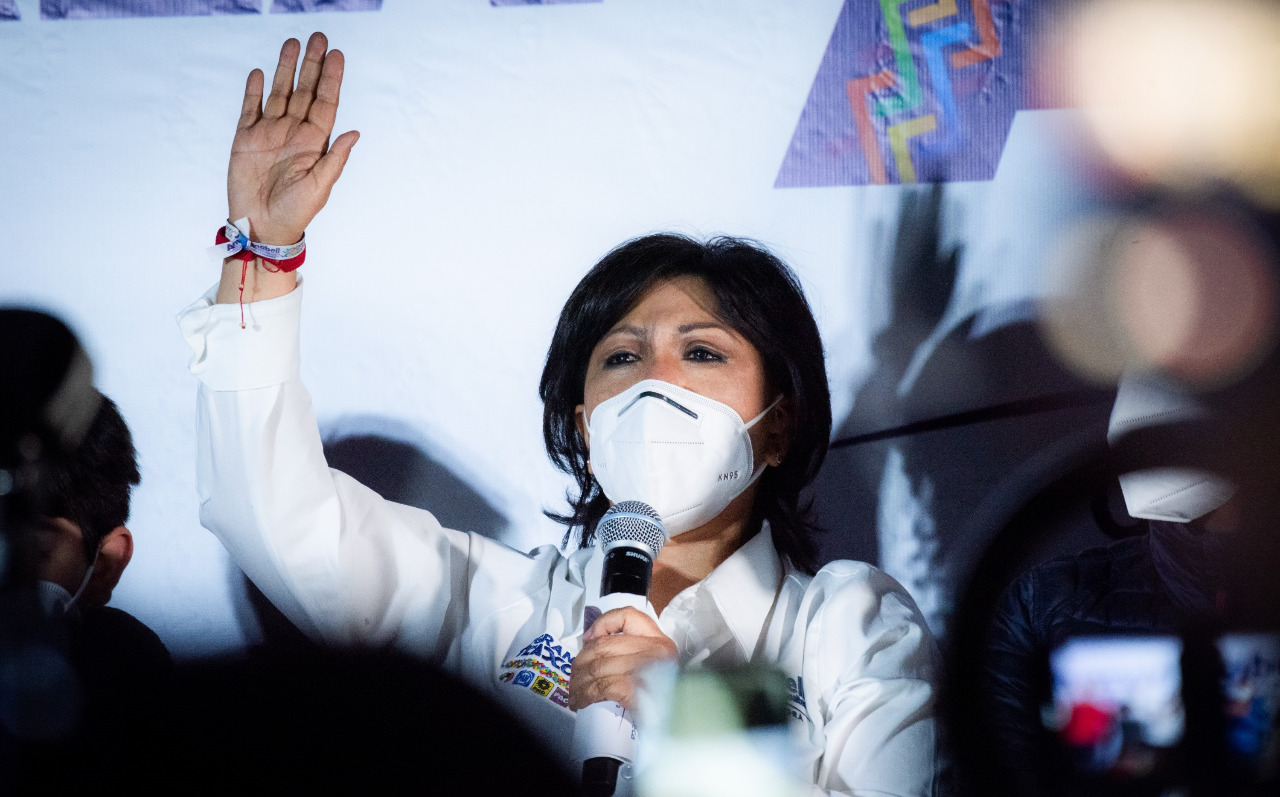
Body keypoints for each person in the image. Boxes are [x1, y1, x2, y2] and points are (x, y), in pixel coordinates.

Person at [178, 33, 938, 795]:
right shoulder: (495, 603)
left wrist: (690, 719)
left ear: (778, 424)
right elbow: (276, 515)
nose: (656, 383)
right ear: (584, 426)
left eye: (702, 352)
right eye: (622, 357)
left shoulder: (849, 625)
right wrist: (263, 250)